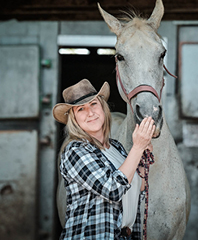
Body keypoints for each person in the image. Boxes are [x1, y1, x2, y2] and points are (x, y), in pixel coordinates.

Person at [53, 79, 155, 240]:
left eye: (94, 104)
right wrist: (137, 147)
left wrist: (142, 154)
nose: (90, 113)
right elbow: (112, 189)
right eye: (81, 109)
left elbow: (138, 186)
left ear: (103, 107)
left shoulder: (116, 147)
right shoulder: (75, 151)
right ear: (74, 119)